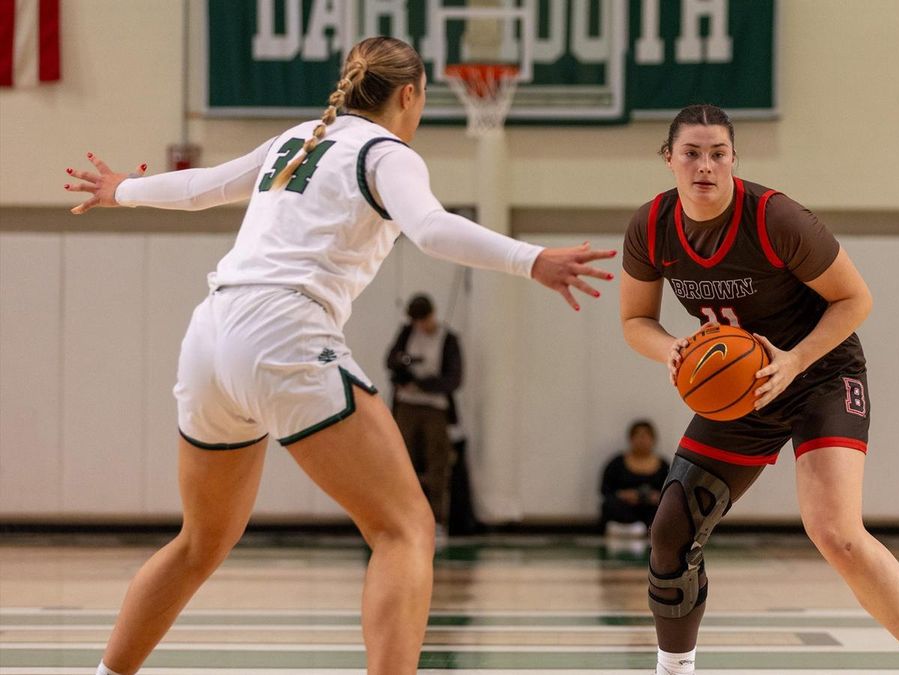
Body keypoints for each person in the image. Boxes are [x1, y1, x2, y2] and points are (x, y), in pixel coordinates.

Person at [64, 36, 615, 675]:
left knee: (200, 542)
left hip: (211, 336)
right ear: (409, 95)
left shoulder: (297, 138)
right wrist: (532, 259)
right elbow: (431, 230)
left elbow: (203, 188)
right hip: (282, 332)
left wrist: (121, 191)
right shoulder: (388, 152)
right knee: (405, 529)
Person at [619, 104, 899, 675]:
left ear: (734, 158)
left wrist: (795, 360)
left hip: (820, 374)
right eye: (691, 153)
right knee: (671, 531)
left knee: (836, 533)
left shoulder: (775, 218)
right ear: (669, 158)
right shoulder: (651, 226)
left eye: (718, 153)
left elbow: (856, 300)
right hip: (740, 387)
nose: (705, 165)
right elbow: (636, 322)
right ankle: (674, 670)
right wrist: (673, 350)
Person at [387, 293, 462, 540]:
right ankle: (400, 520)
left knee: (437, 463)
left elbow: (454, 379)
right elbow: (390, 360)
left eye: (424, 320)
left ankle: (438, 520)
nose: (421, 326)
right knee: (401, 462)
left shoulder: (448, 339)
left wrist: (423, 383)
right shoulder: (407, 333)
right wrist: (404, 372)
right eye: (416, 321)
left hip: (435, 408)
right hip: (406, 406)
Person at [600, 419, 669, 537]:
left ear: (653, 439)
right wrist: (624, 495)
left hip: (651, 508)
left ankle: (650, 529)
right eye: (638, 435)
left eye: (646, 436)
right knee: (610, 504)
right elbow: (605, 490)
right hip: (626, 508)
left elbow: (671, 491)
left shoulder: (663, 465)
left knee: (664, 509)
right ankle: (626, 527)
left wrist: (656, 497)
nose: (642, 440)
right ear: (631, 439)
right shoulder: (617, 463)